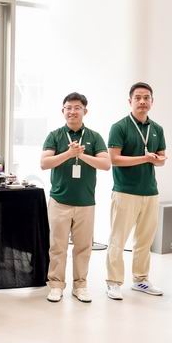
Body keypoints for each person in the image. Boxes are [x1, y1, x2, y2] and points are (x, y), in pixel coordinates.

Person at [41, 92, 110, 304]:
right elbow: (44, 163)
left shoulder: (94, 137)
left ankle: (80, 286)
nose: (72, 111)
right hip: (59, 201)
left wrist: (81, 155)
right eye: (68, 108)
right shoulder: (55, 135)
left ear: (85, 111)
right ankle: (56, 285)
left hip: (85, 202)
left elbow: (106, 164)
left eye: (77, 107)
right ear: (63, 111)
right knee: (58, 247)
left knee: (83, 247)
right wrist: (68, 154)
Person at [105, 82, 167, 300]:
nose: (142, 101)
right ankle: (113, 282)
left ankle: (140, 279)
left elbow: (161, 160)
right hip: (125, 191)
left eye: (146, 97)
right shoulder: (119, 127)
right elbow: (114, 159)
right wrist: (145, 158)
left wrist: (157, 159)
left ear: (152, 101)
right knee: (118, 240)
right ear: (129, 101)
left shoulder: (157, 129)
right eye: (138, 97)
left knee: (144, 240)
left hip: (150, 192)